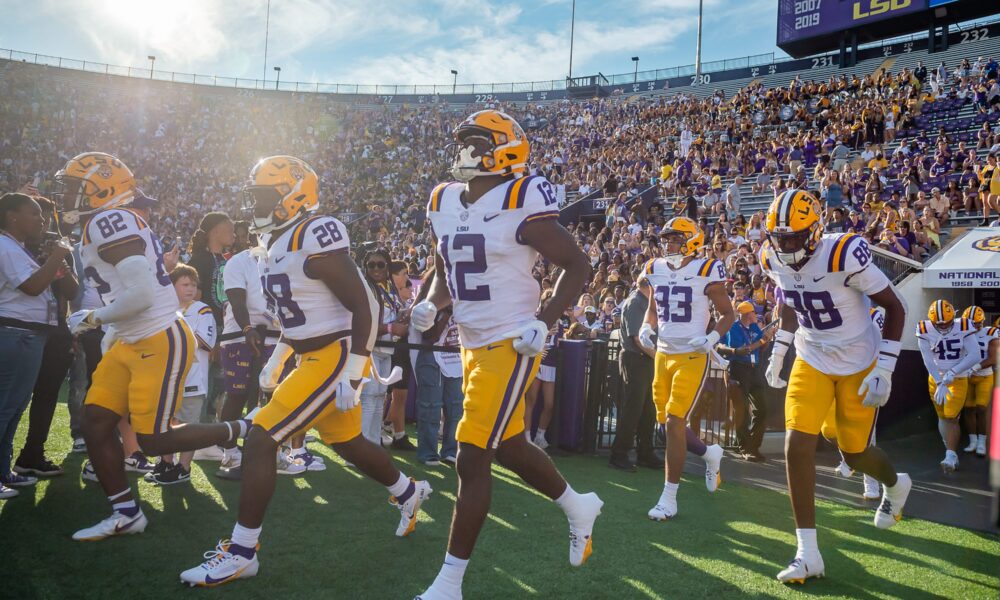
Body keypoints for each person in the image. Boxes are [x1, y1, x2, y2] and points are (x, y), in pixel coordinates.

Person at [181, 156, 431, 586]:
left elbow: (365, 306)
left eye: (262, 196)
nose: (254, 204)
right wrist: (279, 358)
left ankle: (242, 552)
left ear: (292, 197)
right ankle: (409, 492)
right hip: (309, 355)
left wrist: (354, 372)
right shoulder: (274, 245)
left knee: (261, 440)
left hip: (334, 356)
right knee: (348, 441)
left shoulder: (312, 233)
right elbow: (298, 318)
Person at [412, 110, 603, 600]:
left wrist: (545, 320)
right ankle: (577, 505)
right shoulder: (444, 199)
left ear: (503, 149)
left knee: (471, 452)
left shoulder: (521, 196)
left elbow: (577, 263)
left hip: (513, 340)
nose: (463, 150)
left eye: (475, 142)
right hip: (472, 338)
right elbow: (444, 266)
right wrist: (432, 302)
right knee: (510, 442)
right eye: (464, 142)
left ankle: (448, 584)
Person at [56, 152, 252, 541]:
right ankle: (126, 512)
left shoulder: (109, 220)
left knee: (154, 438)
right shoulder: (106, 221)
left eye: (74, 187)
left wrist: (94, 318)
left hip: (157, 336)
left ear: (102, 189)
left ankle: (244, 428)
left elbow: (144, 293)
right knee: (96, 420)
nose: (65, 194)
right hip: (133, 338)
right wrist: (112, 329)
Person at [761, 189, 911, 584]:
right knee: (798, 445)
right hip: (812, 356)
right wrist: (779, 349)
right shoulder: (770, 256)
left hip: (858, 360)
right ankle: (807, 553)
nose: (787, 246)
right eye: (781, 238)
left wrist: (886, 369)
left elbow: (895, 307)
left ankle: (896, 485)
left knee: (854, 452)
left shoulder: (843, 253)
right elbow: (790, 301)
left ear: (815, 231)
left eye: (795, 237)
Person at [637, 216, 731, 521]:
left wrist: (711, 338)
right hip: (663, 354)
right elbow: (653, 307)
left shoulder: (706, 269)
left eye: (675, 238)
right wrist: (645, 327)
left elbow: (727, 313)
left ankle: (669, 498)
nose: (668, 244)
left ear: (691, 240)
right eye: (666, 239)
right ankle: (708, 453)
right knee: (665, 423)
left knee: (676, 421)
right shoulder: (655, 268)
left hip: (691, 355)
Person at [0, 193, 74, 498]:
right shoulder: (5, 246)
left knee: (15, 407)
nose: (42, 220)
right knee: (5, 407)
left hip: (29, 335)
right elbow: (31, 287)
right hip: (17, 334)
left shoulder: (16, 247)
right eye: (34, 214)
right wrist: (58, 253)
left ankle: (4, 471)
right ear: (11, 216)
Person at [146, 264, 217, 485]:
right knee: (164, 422)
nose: (190, 289)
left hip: (193, 380)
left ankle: (183, 468)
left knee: (188, 425)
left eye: (193, 285)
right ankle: (166, 463)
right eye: (184, 284)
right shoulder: (164, 309)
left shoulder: (202, 310)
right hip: (166, 379)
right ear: (172, 287)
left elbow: (206, 342)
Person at [915, 300, 982, 473]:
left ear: (954, 316)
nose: (944, 326)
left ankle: (951, 455)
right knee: (942, 416)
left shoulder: (964, 325)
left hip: (957, 378)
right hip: (935, 378)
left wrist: (953, 372)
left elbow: (975, 355)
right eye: (940, 324)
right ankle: (949, 446)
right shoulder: (924, 328)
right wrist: (939, 380)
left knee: (951, 416)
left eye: (947, 322)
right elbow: (927, 358)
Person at [609, 277, 662, 472]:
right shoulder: (634, 302)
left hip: (646, 359)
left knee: (649, 408)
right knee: (633, 408)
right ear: (649, 285)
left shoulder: (645, 303)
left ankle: (645, 452)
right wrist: (659, 358)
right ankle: (619, 454)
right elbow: (637, 338)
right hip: (635, 358)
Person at [414, 270, 462, 466]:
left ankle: (451, 450)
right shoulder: (428, 305)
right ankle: (428, 452)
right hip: (432, 357)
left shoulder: (466, 302)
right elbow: (429, 337)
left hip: (457, 359)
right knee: (430, 406)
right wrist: (447, 312)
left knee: (456, 407)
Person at [717, 302, 771, 461]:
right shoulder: (734, 328)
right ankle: (745, 447)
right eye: (754, 312)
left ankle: (753, 446)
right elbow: (744, 349)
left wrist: (766, 341)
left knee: (762, 410)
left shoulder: (754, 327)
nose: (756, 315)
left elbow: (759, 347)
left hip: (755, 370)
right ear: (748, 314)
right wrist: (762, 341)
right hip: (739, 369)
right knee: (742, 411)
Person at [524, 289, 563, 450]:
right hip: (537, 362)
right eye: (547, 302)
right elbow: (531, 341)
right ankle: (526, 436)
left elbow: (558, 343)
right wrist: (545, 335)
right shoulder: (536, 320)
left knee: (549, 403)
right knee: (531, 399)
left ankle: (540, 435)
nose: (550, 305)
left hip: (551, 364)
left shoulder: (559, 322)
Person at [960, 305, 995, 458]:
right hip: (966, 377)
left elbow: (993, 358)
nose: (975, 326)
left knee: (981, 409)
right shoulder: (960, 332)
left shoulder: (990, 332)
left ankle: (982, 442)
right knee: (968, 409)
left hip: (984, 375)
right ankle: (973, 441)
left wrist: (974, 367)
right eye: (972, 323)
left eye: (978, 323)